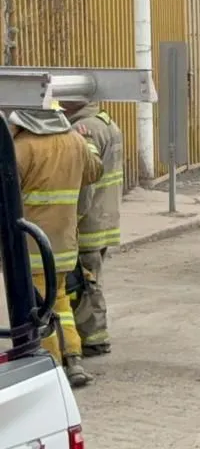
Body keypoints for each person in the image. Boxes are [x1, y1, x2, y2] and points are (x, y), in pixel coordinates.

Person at [9, 102, 103, 387]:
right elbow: (94, 171)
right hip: (64, 245)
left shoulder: (22, 146)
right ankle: (73, 358)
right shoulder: (74, 141)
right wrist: (88, 143)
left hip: (30, 248)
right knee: (59, 300)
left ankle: (51, 366)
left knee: (39, 309)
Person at [62, 101, 123, 359]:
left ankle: (95, 338)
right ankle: (91, 334)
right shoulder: (106, 122)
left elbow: (85, 184)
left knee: (85, 283)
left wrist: (71, 219)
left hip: (89, 223)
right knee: (90, 279)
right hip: (106, 217)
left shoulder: (83, 129)